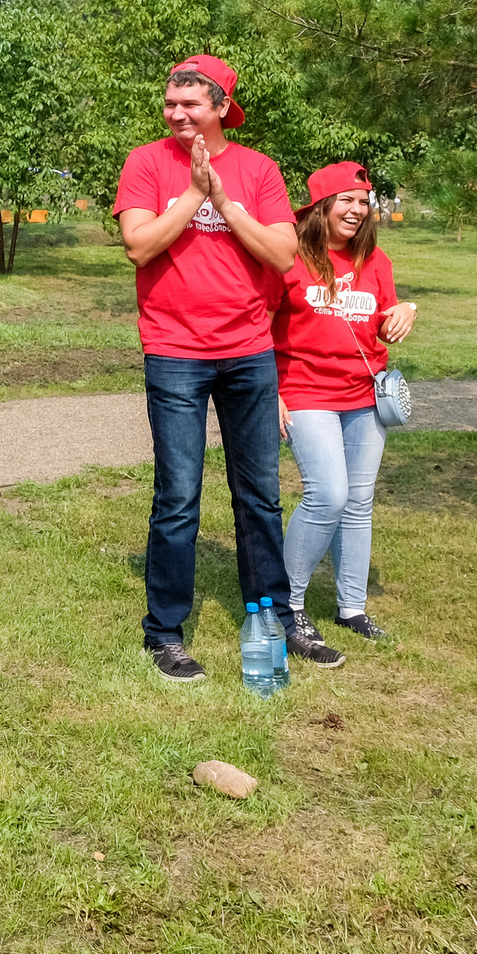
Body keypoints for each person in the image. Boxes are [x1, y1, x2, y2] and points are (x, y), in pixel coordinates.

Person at [111, 55, 301, 683]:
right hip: (174, 350)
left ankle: (272, 620)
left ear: (221, 109)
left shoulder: (259, 170)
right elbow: (138, 245)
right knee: (179, 496)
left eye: (190, 105)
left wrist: (225, 198)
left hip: (249, 350)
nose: (176, 114)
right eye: (170, 103)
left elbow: (282, 253)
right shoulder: (146, 163)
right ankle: (164, 632)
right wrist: (195, 191)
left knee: (260, 496)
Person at [271, 162, 416, 660]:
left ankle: (351, 606)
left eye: (363, 201)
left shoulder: (377, 261)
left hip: (364, 394)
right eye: (346, 201)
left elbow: (385, 316)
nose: (357, 210)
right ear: (320, 207)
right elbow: (257, 323)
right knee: (328, 495)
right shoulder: (289, 258)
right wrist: (272, 392)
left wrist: (405, 311)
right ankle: (285, 607)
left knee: (358, 501)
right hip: (304, 390)